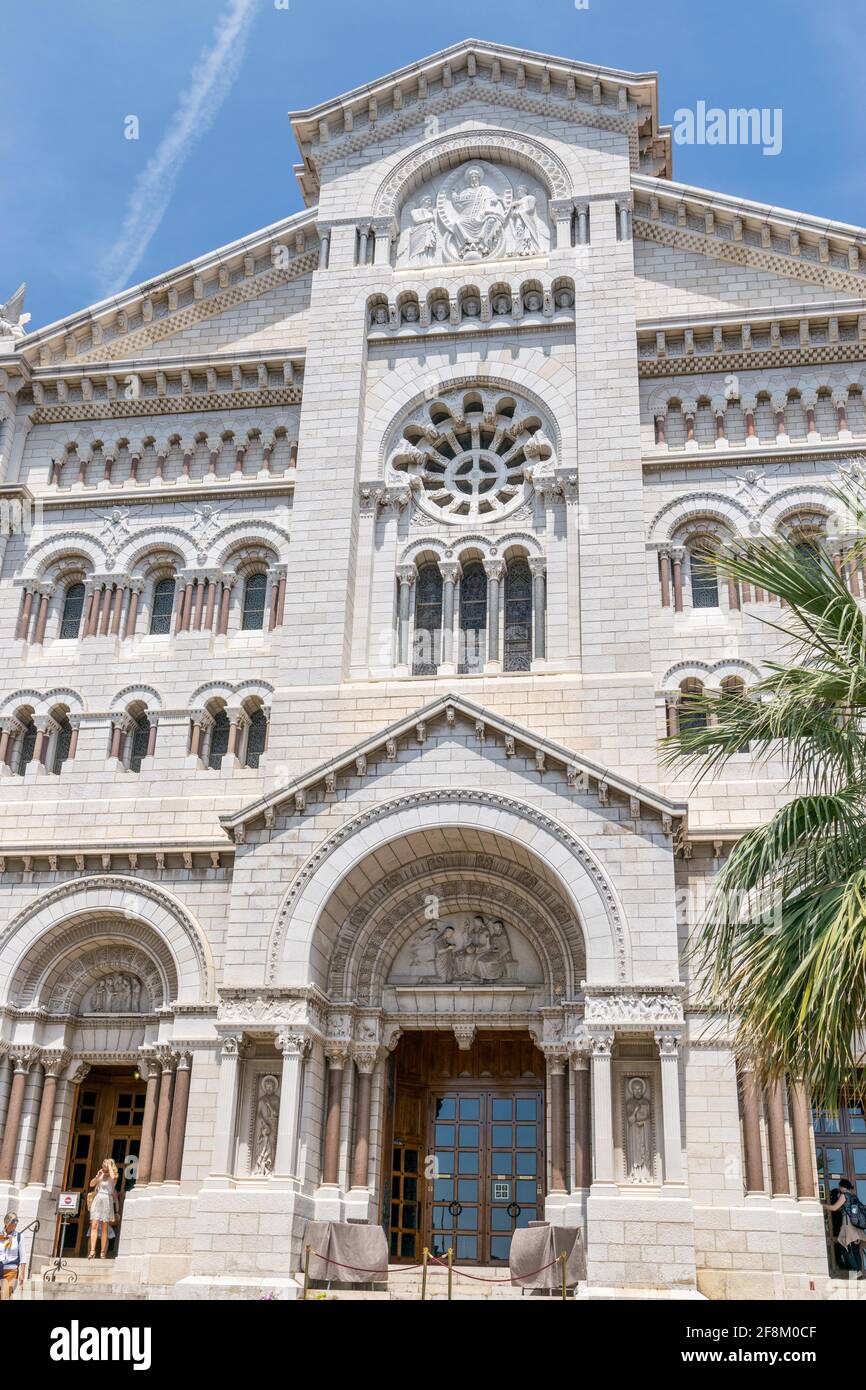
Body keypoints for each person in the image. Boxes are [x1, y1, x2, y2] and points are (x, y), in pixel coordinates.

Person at [825, 1178, 866, 1275]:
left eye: (840, 1187)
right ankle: (857, 1273)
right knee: (856, 1250)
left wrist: (821, 1206)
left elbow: (834, 1208)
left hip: (848, 1226)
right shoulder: (854, 1196)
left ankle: (856, 1271)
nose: (839, 1189)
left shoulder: (844, 1195)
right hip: (857, 1226)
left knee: (843, 1247)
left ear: (842, 1187)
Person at [87, 1158, 119, 1260]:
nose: (104, 1168)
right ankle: (92, 1250)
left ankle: (102, 1252)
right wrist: (98, 1177)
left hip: (107, 1200)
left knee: (105, 1227)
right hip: (98, 1199)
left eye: (106, 1166)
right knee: (94, 1224)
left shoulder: (113, 1176)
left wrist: (109, 1166)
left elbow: (113, 1177)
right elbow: (91, 1184)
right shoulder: (100, 1175)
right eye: (103, 1165)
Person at [0, 1213, 25, 1299]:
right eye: (13, 1221)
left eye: (16, 1221)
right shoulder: (0, 1235)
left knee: (4, 1296)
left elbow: (23, 1257)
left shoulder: (19, 1236)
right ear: (7, 1222)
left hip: (11, 1270)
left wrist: (22, 1275)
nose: (15, 1224)